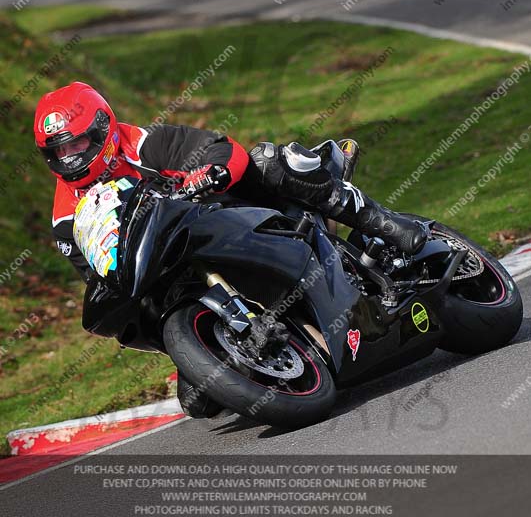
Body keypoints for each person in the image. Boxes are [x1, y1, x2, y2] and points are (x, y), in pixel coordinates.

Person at [34, 81, 427, 415]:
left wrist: (212, 172)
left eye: (78, 144)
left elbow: (221, 150)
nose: (70, 158)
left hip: (227, 216)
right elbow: (99, 274)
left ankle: (383, 223)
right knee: (198, 402)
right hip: (175, 278)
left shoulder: (143, 144)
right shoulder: (65, 222)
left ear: (103, 129)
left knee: (270, 161)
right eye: (59, 152)